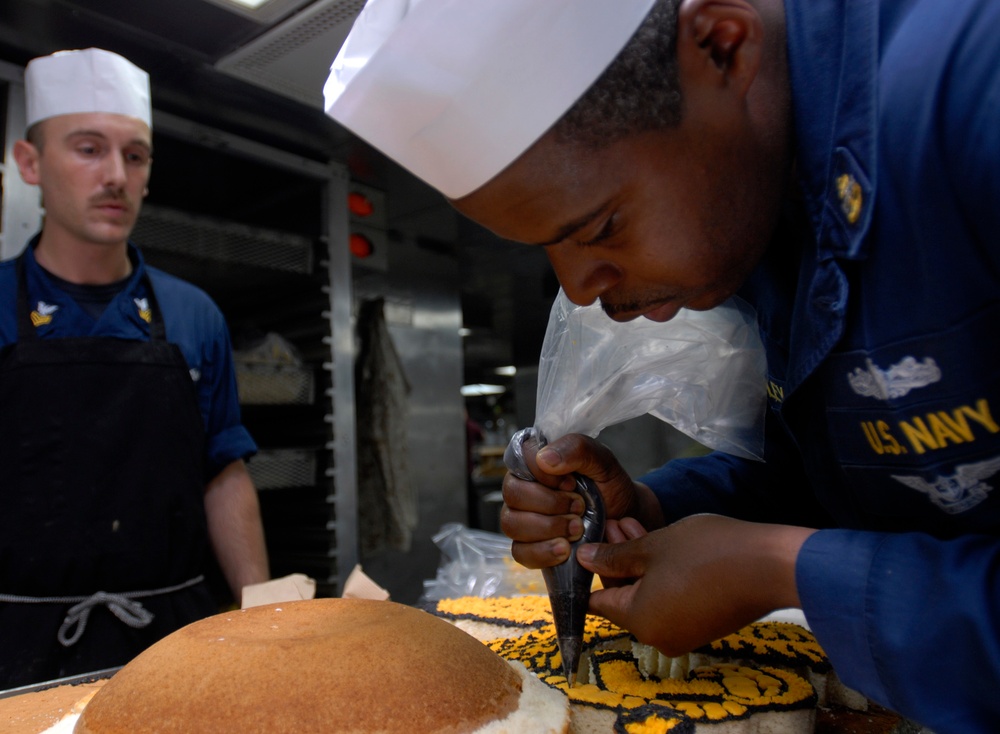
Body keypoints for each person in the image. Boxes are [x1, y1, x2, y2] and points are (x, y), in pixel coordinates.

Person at [323, 0, 1000, 730]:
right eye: (548, 249)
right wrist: (651, 510)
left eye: (602, 225)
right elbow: (842, 477)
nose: (581, 291)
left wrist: (784, 569)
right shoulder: (760, 204)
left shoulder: (968, 81)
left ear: (722, 46)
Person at [0, 48, 270, 688]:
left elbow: (223, 475)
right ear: (30, 163)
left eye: (135, 155)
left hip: (174, 641)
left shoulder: (193, 314)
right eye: (88, 149)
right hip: (14, 642)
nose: (115, 175)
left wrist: (266, 617)